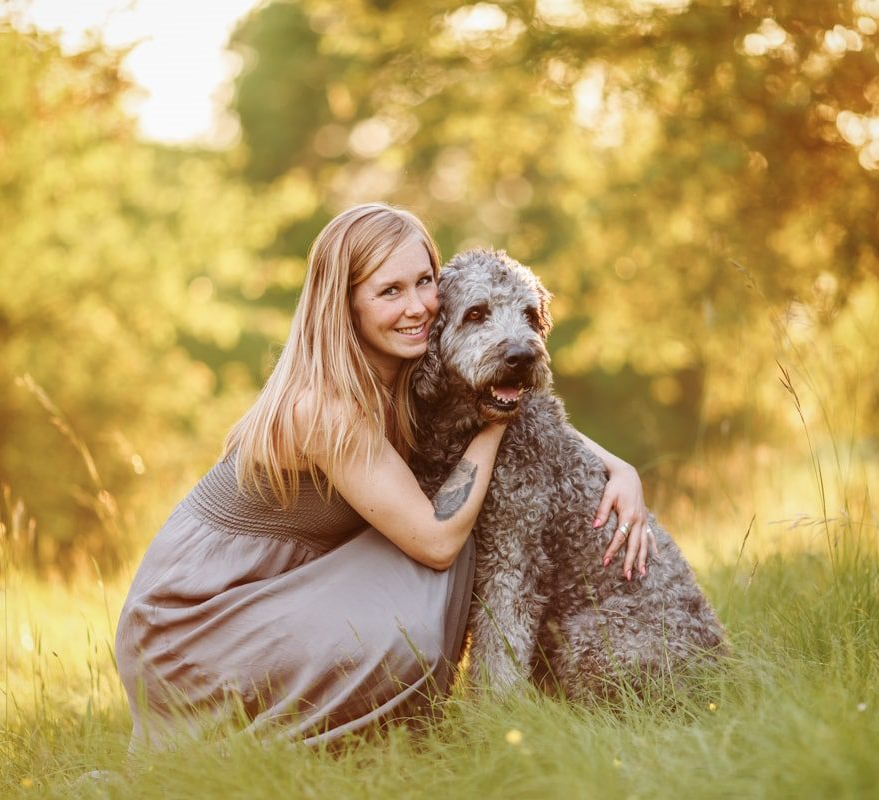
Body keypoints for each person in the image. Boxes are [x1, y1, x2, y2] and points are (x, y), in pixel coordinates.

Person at [114, 202, 652, 748]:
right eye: (389, 291)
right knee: (442, 563)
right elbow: (438, 539)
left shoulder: (409, 365)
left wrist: (617, 465)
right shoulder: (323, 406)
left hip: (282, 591)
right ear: (343, 304)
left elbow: (510, 399)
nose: (417, 306)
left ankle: (382, 732)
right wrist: (492, 425)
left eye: (424, 281)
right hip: (193, 622)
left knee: (434, 571)